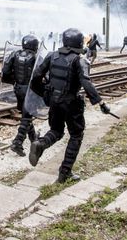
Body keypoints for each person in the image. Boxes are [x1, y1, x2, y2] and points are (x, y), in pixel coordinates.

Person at [27, 28, 113, 183]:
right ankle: (65, 172)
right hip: (71, 103)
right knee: (76, 135)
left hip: (54, 101)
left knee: (56, 130)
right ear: (78, 43)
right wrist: (101, 102)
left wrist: (45, 94)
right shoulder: (80, 60)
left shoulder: (52, 56)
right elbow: (86, 83)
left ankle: (40, 143)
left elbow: (36, 76)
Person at [1, 35, 39, 156]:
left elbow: (5, 71)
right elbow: (40, 74)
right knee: (27, 116)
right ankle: (17, 142)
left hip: (18, 88)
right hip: (30, 90)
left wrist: (14, 80)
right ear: (35, 45)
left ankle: (34, 139)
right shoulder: (36, 57)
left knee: (26, 114)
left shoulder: (14, 54)